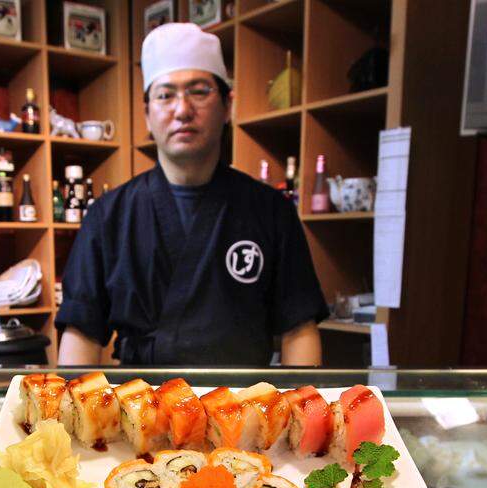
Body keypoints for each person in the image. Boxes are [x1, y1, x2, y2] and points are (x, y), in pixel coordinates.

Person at [56, 23, 329, 367]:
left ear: (227, 105)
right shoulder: (109, 216)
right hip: (142, 408)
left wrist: (299, 415)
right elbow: (82, 332)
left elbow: (298, 330)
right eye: (165, 95)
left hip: (242, 408)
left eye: (199, 92)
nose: (182, 109)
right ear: (147, 114)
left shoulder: (271, 210)